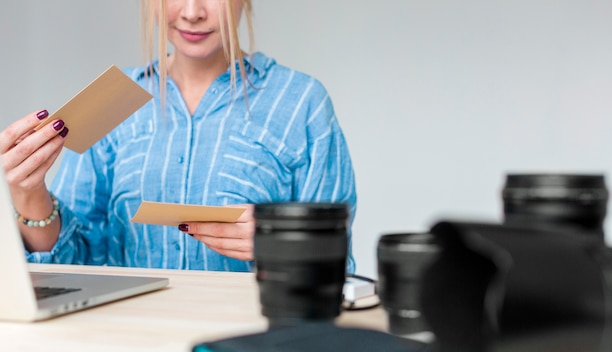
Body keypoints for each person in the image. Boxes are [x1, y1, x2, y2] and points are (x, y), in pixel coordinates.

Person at [0, 0, 357, 272]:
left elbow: (337, 265)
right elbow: (72, 264)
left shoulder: (300, 103)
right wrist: (28, 194)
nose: (191, 12)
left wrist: (284, 243)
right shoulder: (109, 103)